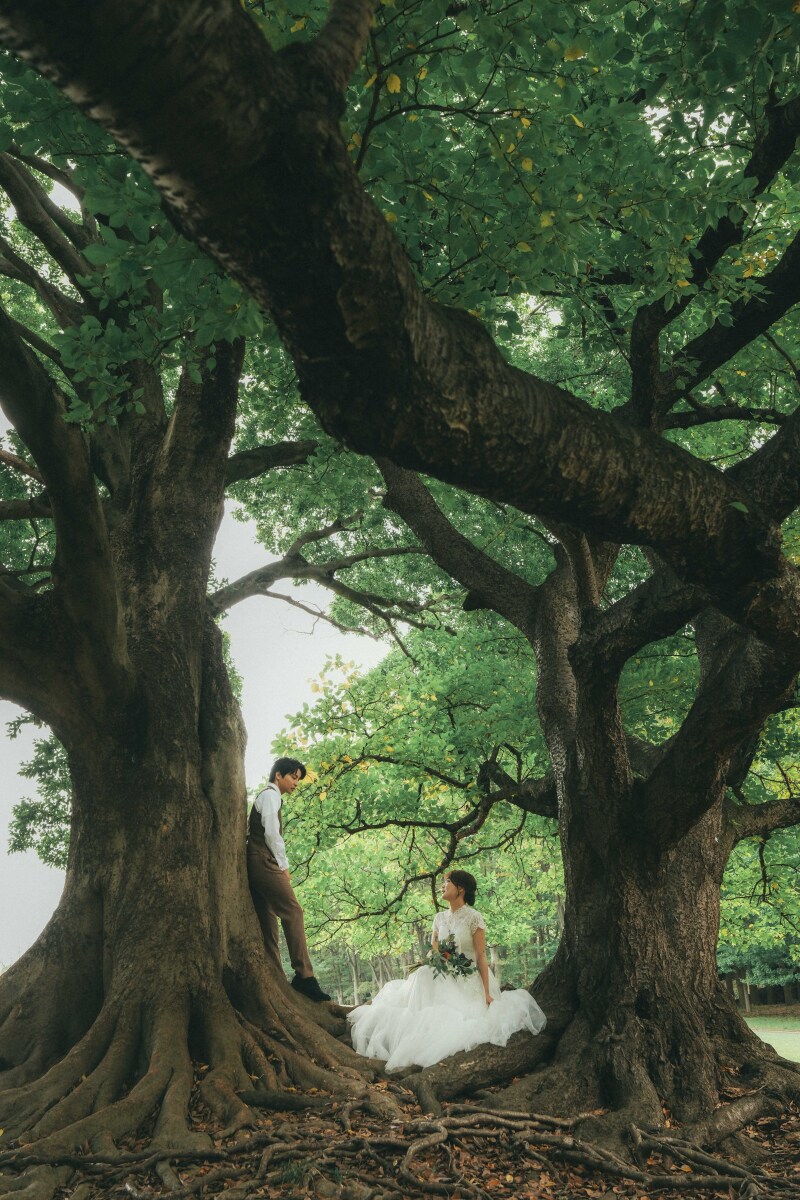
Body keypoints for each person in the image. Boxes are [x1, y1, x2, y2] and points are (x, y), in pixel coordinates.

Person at [347, 869, 546, 1071]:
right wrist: (435, 960)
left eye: (448, 882)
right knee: (423, 974)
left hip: (467, 978)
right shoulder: (439, 918)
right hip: (442, 974)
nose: (443, 886)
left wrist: (486, 992)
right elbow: (436, 951)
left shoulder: (474, 918)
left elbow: (481, 956)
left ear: (461, 889)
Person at [247, 756, 330, 1002]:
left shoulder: (268, 797)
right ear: (278, 776)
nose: (296, 783)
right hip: (263, 860)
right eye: (293, 777)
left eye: (298, 779)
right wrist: (283, 866)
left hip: (255, 859)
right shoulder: (271, 796)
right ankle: (304, 977)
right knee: (294, 911)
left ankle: (275, 977)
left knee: (268, 922)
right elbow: (272, 833)